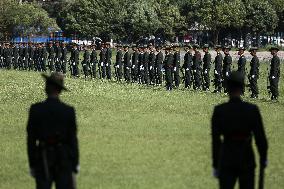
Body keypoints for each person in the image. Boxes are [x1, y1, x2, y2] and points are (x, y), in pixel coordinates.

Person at [211, 71, 268, 189]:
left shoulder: (220, 110)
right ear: (242, 87)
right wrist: (263, 158)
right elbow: (260, 138)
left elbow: (216, 141)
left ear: (227, 87)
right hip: (246, 157)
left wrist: (216, 165)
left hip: (227, 157)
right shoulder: (252, 109)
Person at [27, 72, 79, 189]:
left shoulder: (36, 110)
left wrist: (32, 164)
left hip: (43, 158)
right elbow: (72, 139)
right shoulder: (68, 111)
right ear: (60, 90)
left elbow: (31, 140)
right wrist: (75, 163)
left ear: (47, 88)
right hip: (63, 159)